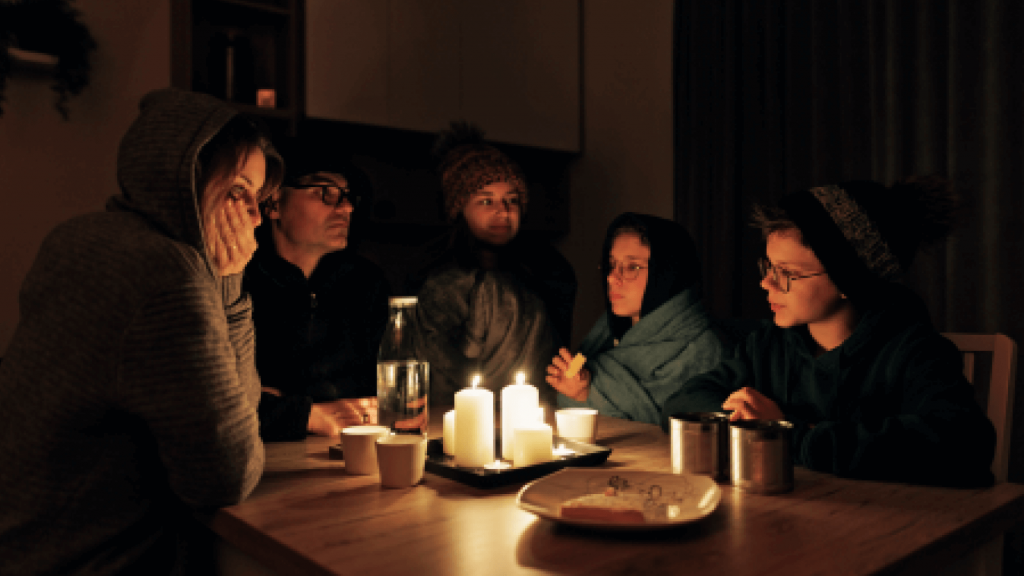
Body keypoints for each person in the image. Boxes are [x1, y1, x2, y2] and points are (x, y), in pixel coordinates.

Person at [0, 88, 282, 574]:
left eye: (258, 198)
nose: (255, 217)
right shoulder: (168, 275)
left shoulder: (75, 235)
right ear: (184, 177)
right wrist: (231, 284)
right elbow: (227, 475)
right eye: (239, 191)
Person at [661, 177, 996, 487]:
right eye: (768, 266)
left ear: (849, 279)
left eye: (787, 272)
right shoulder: (767, 345)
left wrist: (790, 433)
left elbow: (966, 443)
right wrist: (746, 418)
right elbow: (683, 402)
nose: (766, 283)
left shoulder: (915, 352)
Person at [409, 122, 576, 409]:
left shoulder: (548, 273)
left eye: (512, 200)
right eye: (486, 201)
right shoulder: (439, 281)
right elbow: (437, 376)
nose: (503, 210)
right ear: (459, 209)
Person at [244, 139, 390, 441]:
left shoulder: (366, 284)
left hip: (350, 449)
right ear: (273, 203)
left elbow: (379, 392)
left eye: (347, 196)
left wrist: (283, 398)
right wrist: (303, 413)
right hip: (268, 457)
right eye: (326, 193)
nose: (346, 207)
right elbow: (225, 401)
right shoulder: (240, 286)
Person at [546, 213, 732, 425]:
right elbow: (567, 389)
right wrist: (570, 381)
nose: (612, 277)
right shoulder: (605, 331)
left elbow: (672, 424)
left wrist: (587, 394)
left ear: (665, 274)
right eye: (611, 265)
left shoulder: (705, 348)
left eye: (632, 267)